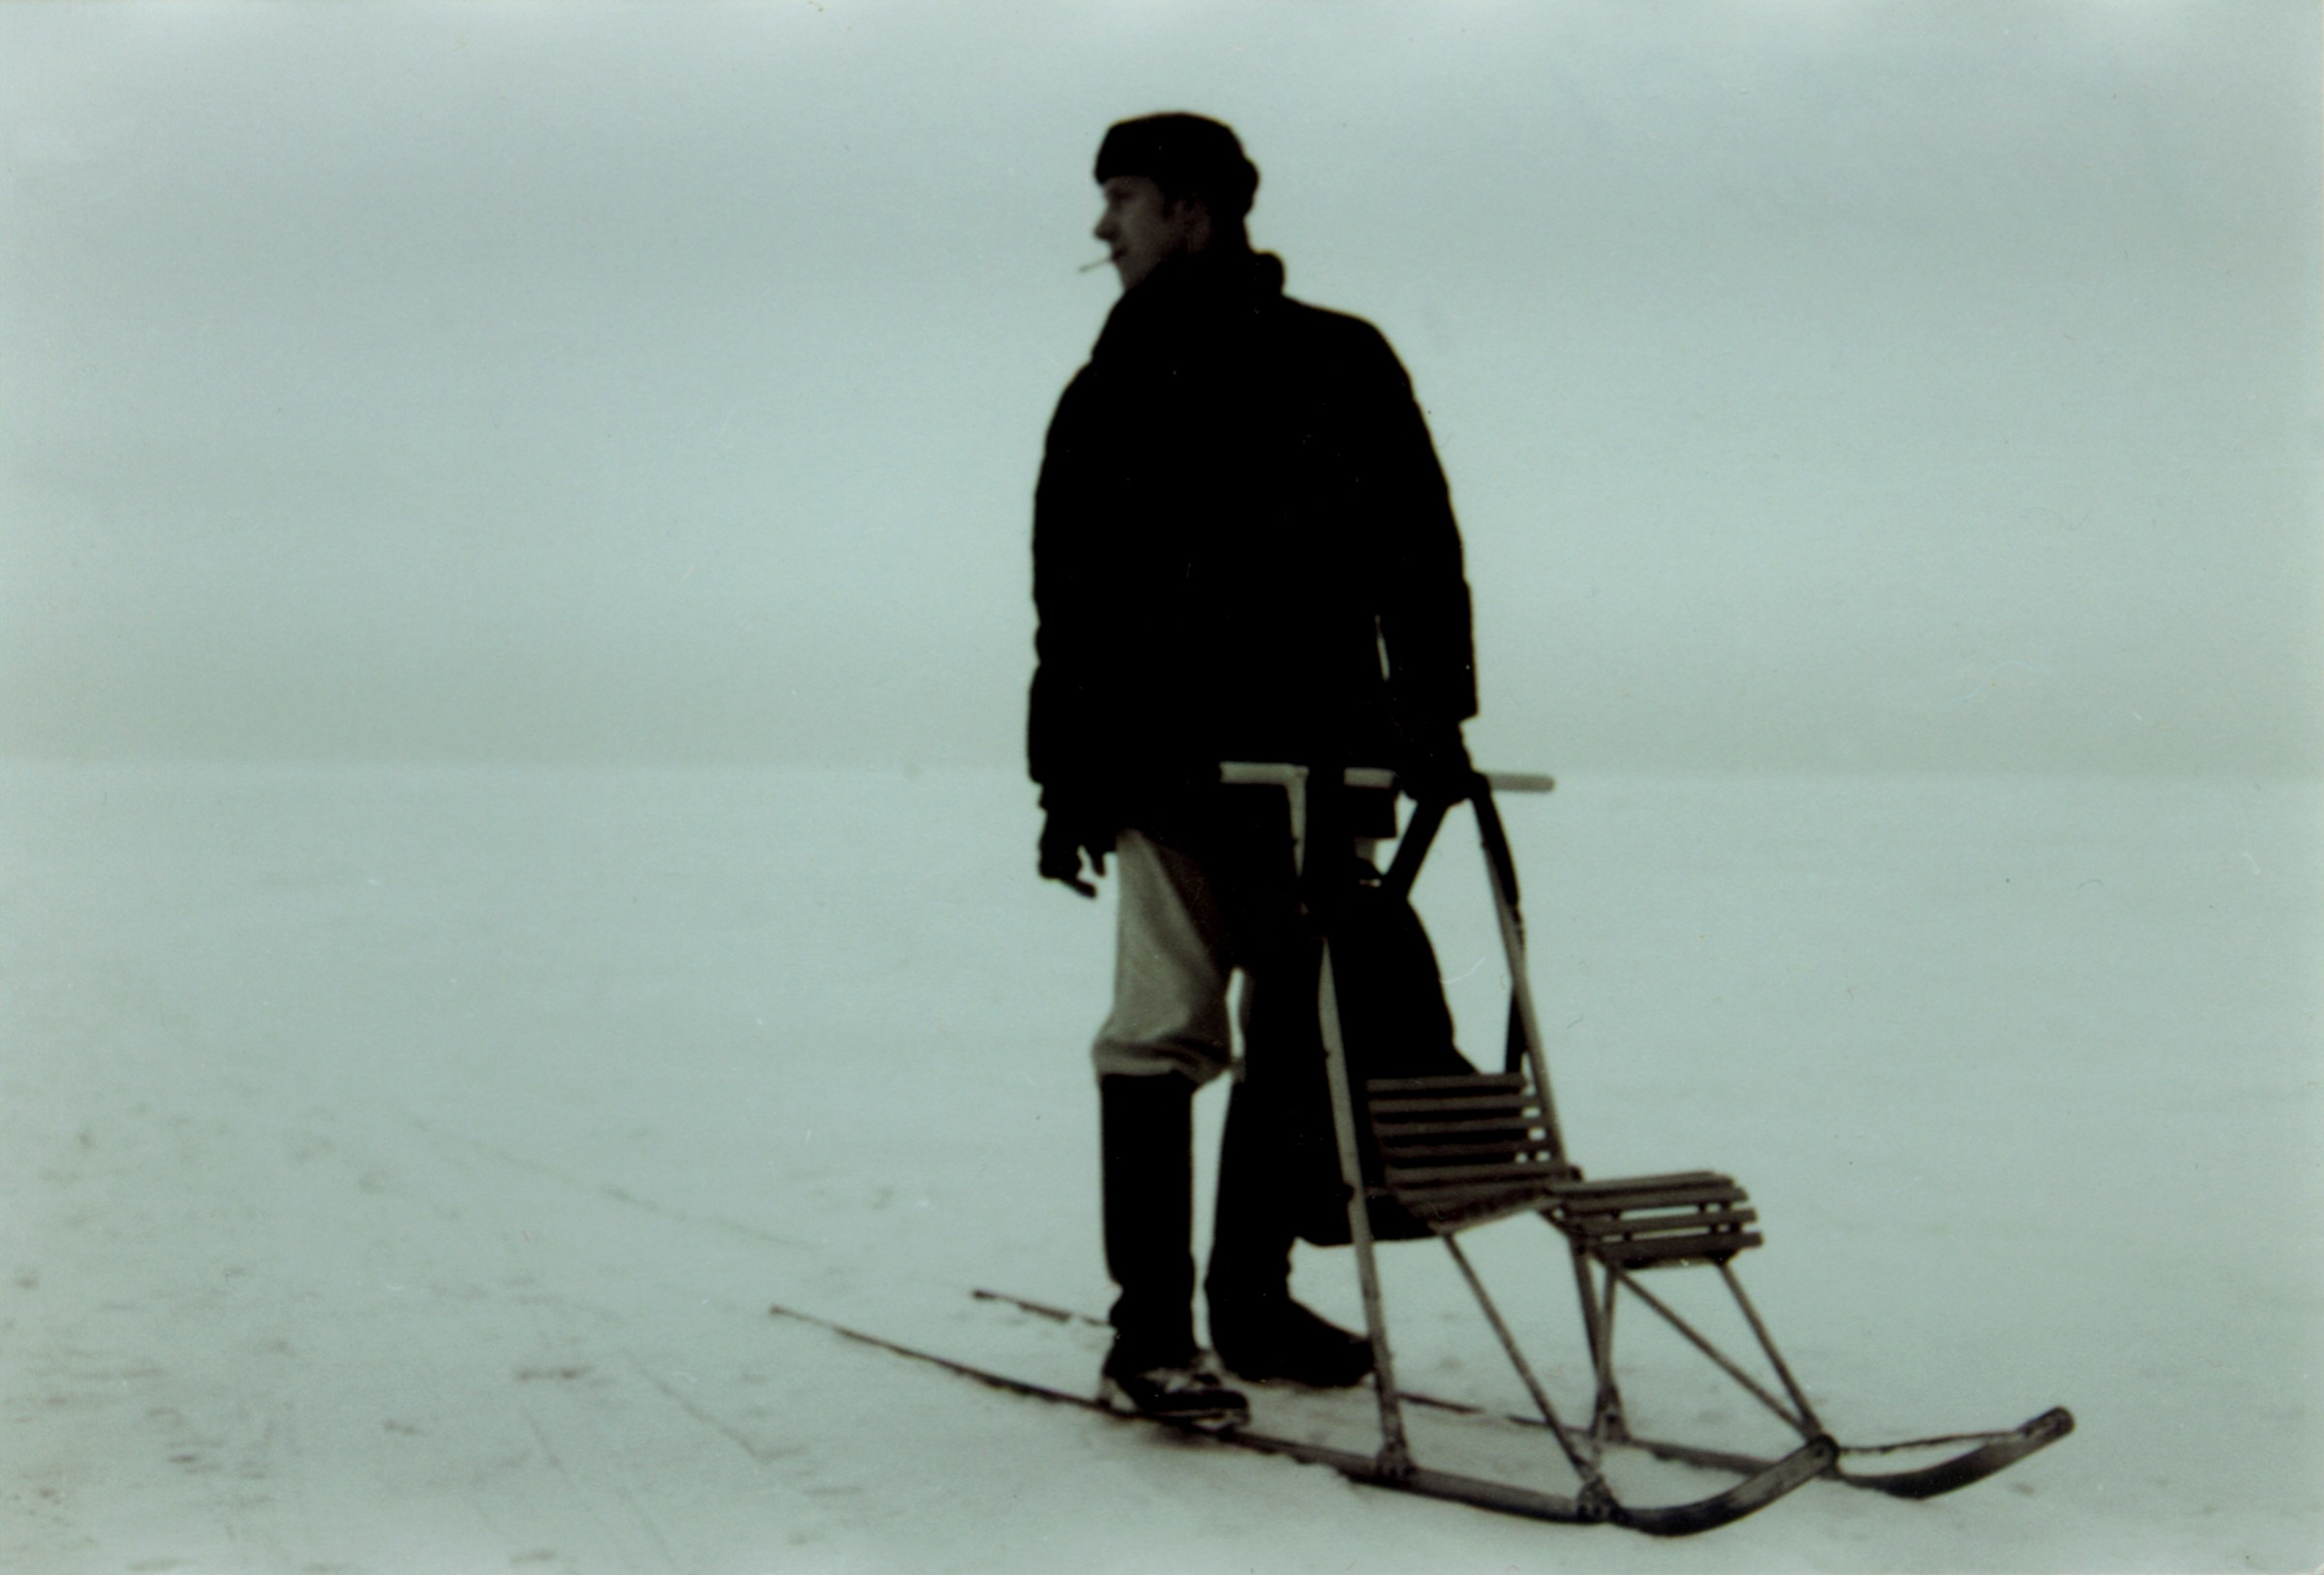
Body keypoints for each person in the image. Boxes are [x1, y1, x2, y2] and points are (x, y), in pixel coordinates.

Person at [1027, 112, 1479, 1423]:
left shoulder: (1337, 359)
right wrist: (1067, 777)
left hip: (1323, 760)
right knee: (1166, 1029)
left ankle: (1252, 1303)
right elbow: (1073, 604)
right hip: (1167, 767)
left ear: (1193, 211)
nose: (1103, 228)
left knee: (1299, 1030)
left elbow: (1416, 547)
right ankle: (1152, 1335)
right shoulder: (1110, 386)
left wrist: (1434, 718)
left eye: (1122, 199)